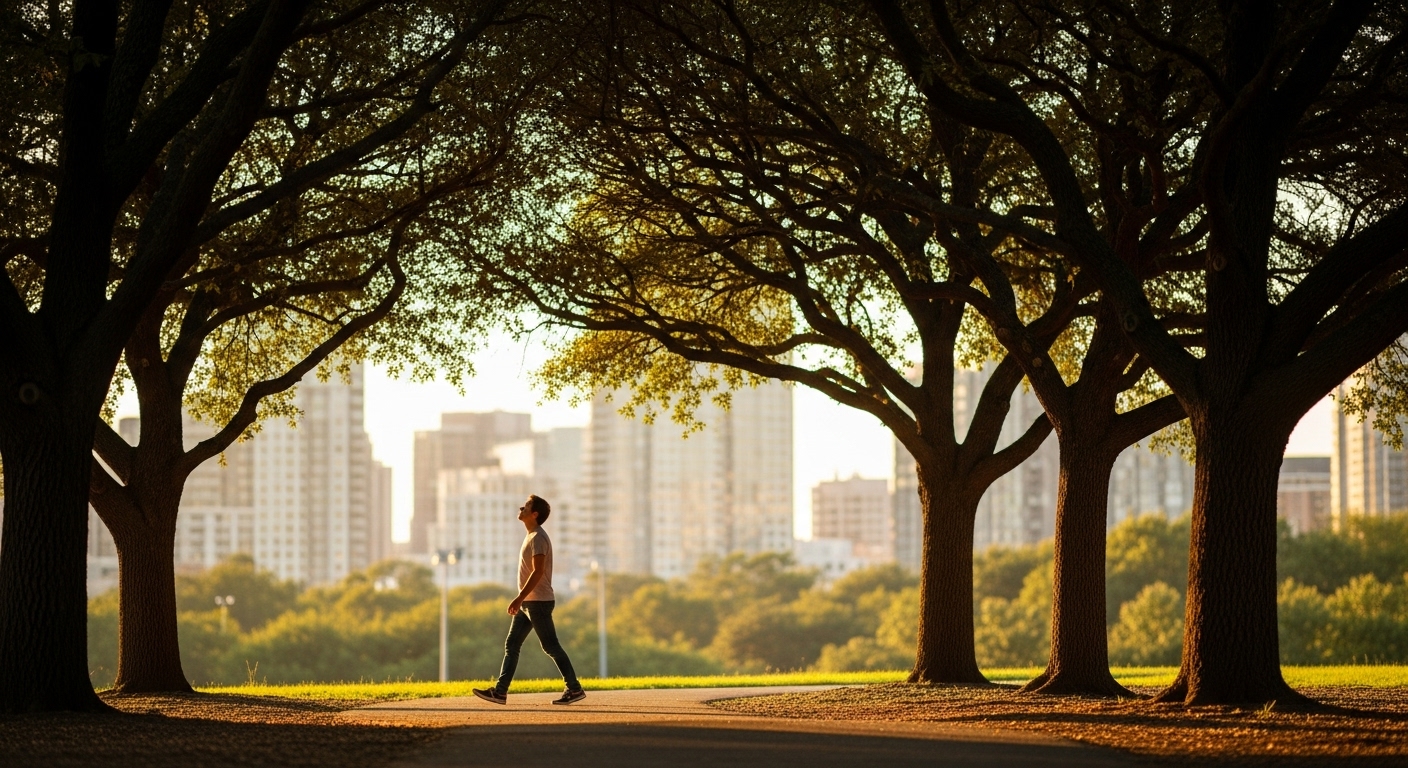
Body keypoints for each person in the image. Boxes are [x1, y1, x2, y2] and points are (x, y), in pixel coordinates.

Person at [473, 494, 586, 705]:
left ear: (534, 514)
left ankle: (574, 688)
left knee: (551, 646)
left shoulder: (538, 538)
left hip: (538, 602)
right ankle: (500, 692)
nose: (521, 508)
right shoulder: (531, 535)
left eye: (526, 507)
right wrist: (522, 601)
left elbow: (538, 572)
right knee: (512, 644)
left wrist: (519, 598)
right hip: (529, 603)